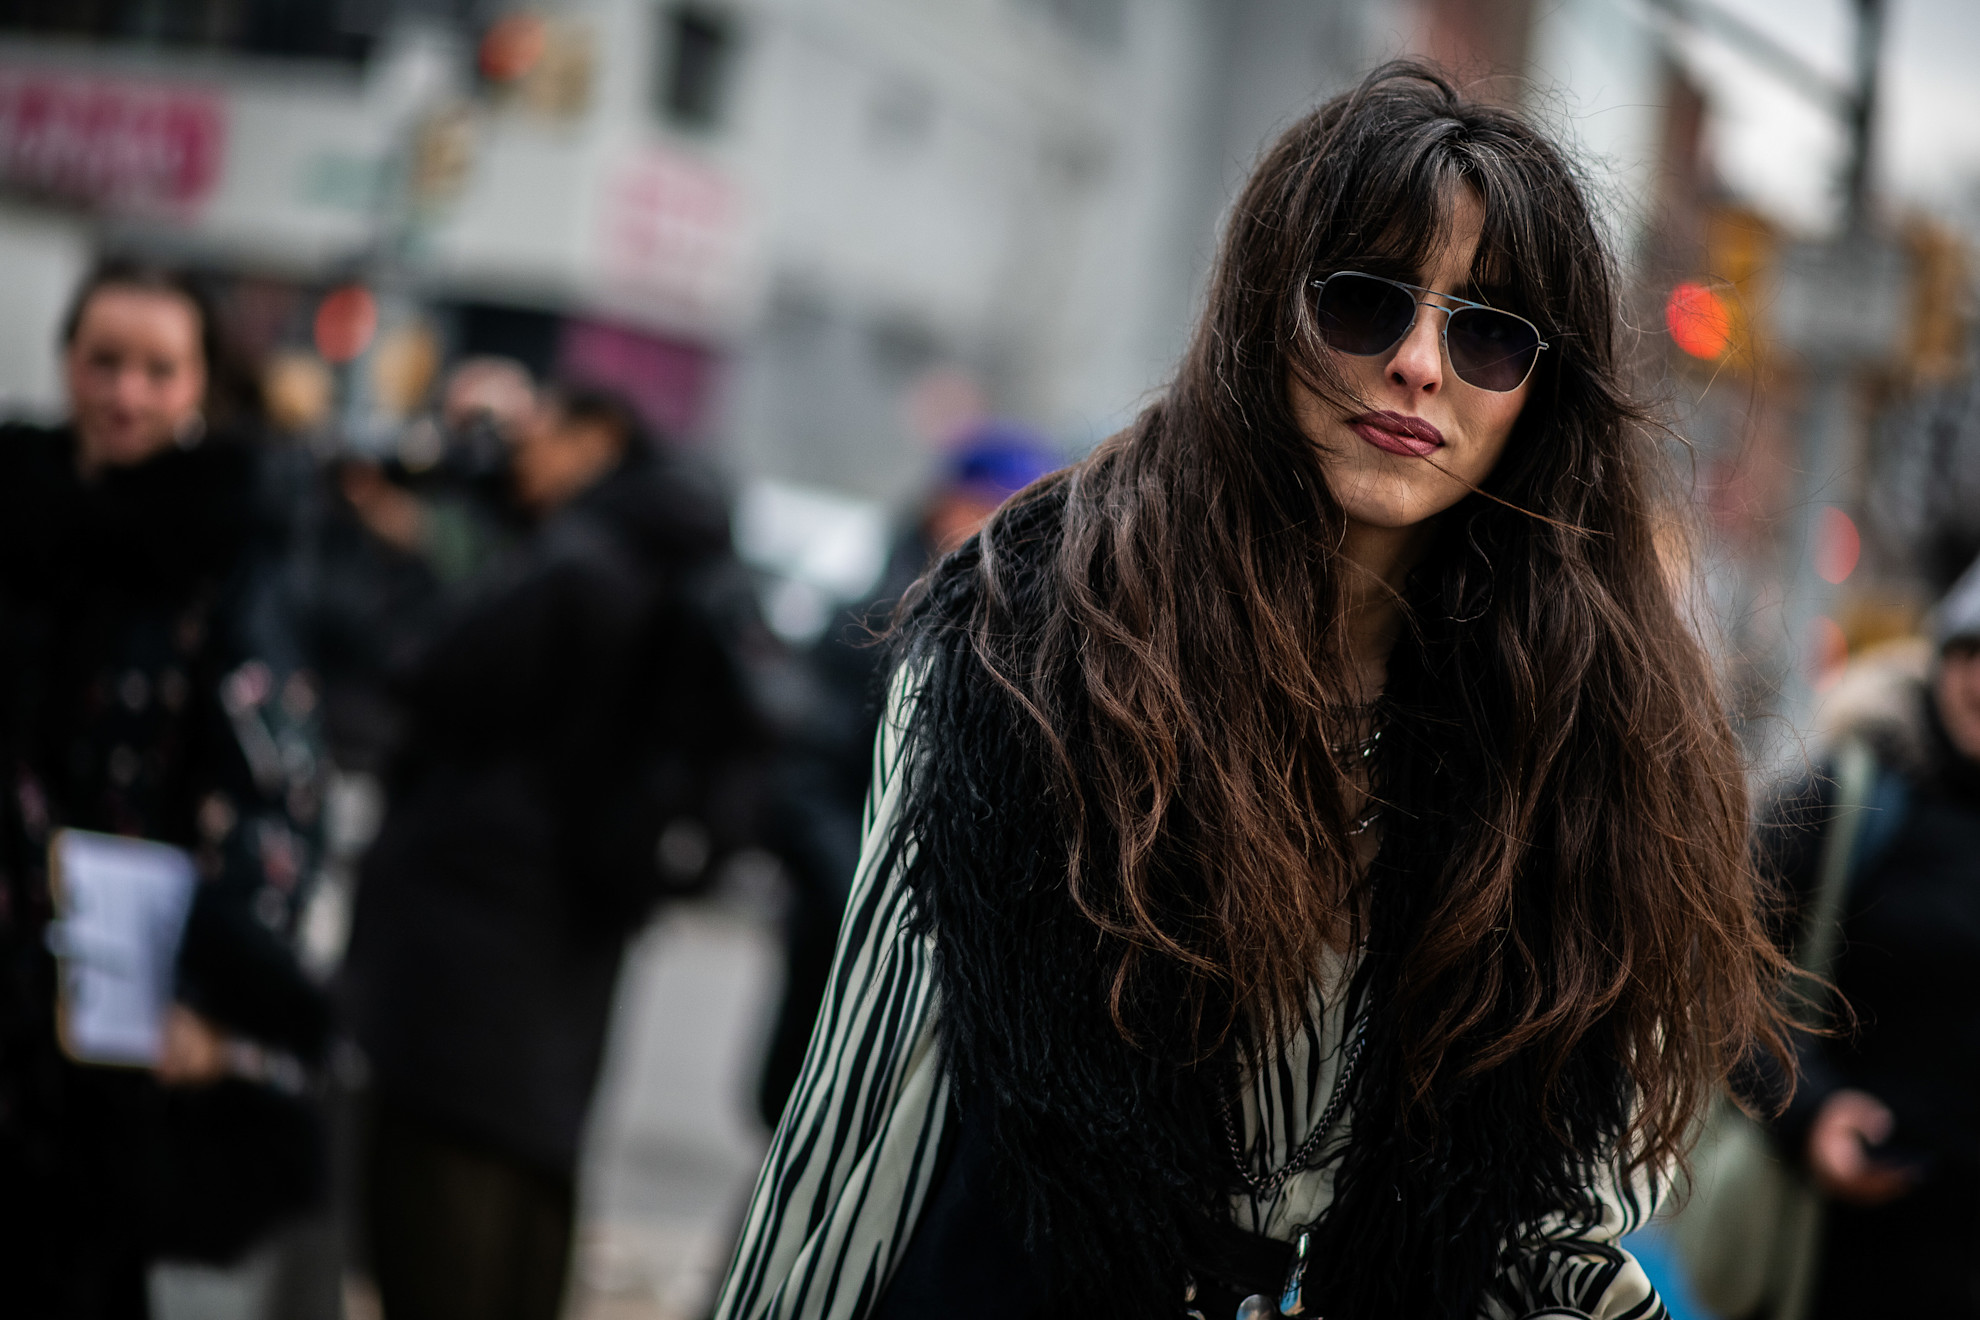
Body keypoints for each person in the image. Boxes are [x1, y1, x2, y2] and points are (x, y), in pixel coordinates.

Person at [713, 65, 1793, 1320]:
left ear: (1540, 394)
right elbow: (858, 1136)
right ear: (1267, 317)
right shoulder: (1024, 648)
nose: (1418, 365)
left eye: (1489, 331)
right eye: (1364, 303)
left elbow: (1556, 1228)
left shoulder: (1582, 733)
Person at [341, 386, 760, 1320]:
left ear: (594, 439)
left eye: (533, 438)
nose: (514, 460)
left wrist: (427, 543)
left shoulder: (577, 565)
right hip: (568, 955)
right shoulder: (667, 559)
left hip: (468, 958)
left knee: (435, 1230)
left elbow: (420, 669)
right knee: (524, 1223)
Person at [0, 260, 332, 1317]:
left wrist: (210, 1003)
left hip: (117, 994)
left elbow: (274, 783)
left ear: (199, 386)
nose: (126, 394)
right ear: (65, 364)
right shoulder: (15, 508)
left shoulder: (228, 547)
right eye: (104, 362)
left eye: (158, 368)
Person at [755, 426, 1062, 1127]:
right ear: (945, 505)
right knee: (808, 1120)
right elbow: (801, 781)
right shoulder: (873, 622)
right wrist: (871, 899)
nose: (1008, 531)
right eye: (993, 506)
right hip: (846, 925)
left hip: (948, 958)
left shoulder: (1026, 638)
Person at [1757, 560, 1980, 1318]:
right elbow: (1716, 976)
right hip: (1834, 1251)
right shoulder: (1849, 796)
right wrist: (1808, 1113)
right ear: (1938, 657)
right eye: (1970, 650)